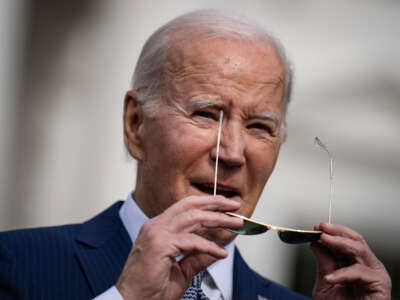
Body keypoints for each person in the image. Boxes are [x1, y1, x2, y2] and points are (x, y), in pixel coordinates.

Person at [0, 9, 391, 300]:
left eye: (259, 127)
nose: (234, 153)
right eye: (206, 115)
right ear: (136, 124)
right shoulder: (15, 265)